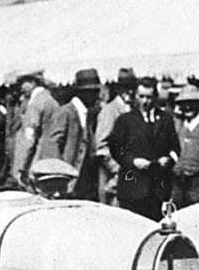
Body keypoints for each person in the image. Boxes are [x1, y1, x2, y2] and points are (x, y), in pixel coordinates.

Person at [109, 77, 180, 220]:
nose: (145, 101)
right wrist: (133, 161)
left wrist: (169, 159)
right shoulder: (125, 120)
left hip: (159, 188)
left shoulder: (165, 119)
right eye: (141, 97)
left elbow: (175, 147)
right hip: (133, 188)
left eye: (149, 97)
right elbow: (116, 149)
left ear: (155, 97)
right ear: (135, 96)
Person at [48, 68, 100, 201]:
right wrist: (58, 179)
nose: (97, 96)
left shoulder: (88, 115)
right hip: (68, 181)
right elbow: (53, 145)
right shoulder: (65, 112)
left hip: (84, 181)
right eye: (94, 92)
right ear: (83, 93)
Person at [94, 68, 138, 205]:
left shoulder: (134, 110)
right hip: (113, 180)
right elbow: (101, 147)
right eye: (125, 88)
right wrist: (117, 168)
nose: (130, 92)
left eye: (132, 88)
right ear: (119, 89)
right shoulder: (110, 111)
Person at [11, 73, 60, 185]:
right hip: (51, 158)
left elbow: (29, 138)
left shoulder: (35, 103)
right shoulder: (51, 100)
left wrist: (20, 168)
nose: (21, 88)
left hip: (36, 161)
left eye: (23, 83)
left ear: (32, 82)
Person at [172, 86, 199, 207]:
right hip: (178, 185)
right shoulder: (177, 125)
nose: (187, 107)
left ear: (198, 104)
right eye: (184, 104)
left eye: (191, 103)